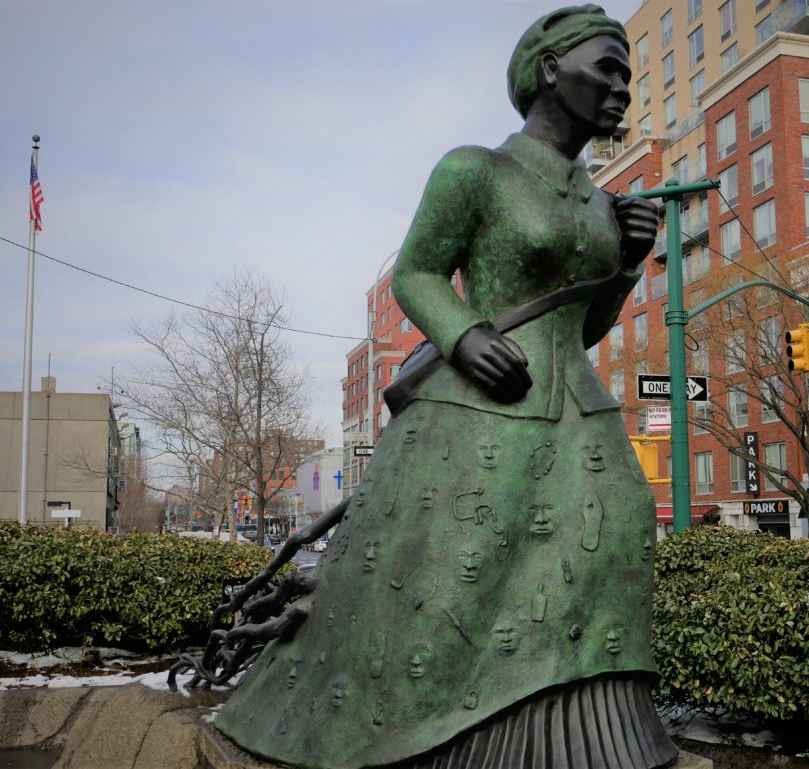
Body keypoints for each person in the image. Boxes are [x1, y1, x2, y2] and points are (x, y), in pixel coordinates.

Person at [214, 6, 678, 768]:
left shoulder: (602, 203)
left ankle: (590, 739)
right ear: (550, 69)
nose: (623, 88)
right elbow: (417, 273)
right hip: (477, 410)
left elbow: (586, 327)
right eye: (608, 68)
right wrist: (463, 334)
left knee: (617, 539)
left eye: (629, 74)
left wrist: (625, 264)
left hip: (579, 415)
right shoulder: (475, 170)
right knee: (449, 589)